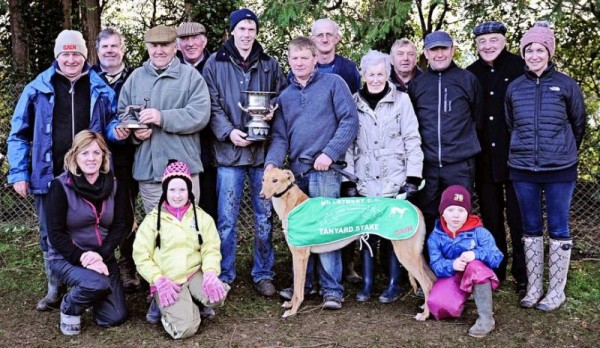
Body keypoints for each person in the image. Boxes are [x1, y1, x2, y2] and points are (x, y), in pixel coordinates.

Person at [7, 29, 118, 311]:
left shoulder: (100, 89)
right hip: (48, 177)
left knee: (90, 230)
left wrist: (121, 130)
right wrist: (19, 173)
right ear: (57, 56)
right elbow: (18, 134)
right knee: (50, 232)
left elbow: (112, 126)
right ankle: (54, 287)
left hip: (89, 175)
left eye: (76, 54)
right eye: (65, 54)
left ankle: (88, 282)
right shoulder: (37, 88)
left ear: (85, 55)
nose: (71, 59)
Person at [265, 36, 358, 310]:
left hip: (326, 170)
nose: (299, 63)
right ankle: (304, 285)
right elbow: (280, 135)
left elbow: (350, 120)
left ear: (315, 59)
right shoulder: (286, 96)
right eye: (294, 58)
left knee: (325, 230)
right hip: (296, 173)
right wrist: (272, 162)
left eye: (304, 58)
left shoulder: (333, 84)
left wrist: (329, 153)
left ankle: (331, 289)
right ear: (289, 60)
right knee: (301, 232)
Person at [203, 8, 287, 297]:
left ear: (256, 32)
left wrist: (272, 111)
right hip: (228, 155)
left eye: (252, 29)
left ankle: (263, 273)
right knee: (226, 220)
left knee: (264, 218)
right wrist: (228, 132)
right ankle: (225, 273)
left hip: (262, 157)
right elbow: (210, 104)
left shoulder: (269, 64)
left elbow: (281, 97)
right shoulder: (215, 63)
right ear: (232, 31)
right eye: (242, 29)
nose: (247, 34)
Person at [505, 21, 586, 311]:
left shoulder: (566, 84)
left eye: (540, 49)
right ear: (524, 54)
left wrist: (560, 152)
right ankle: (534, 287)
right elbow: (510, 123)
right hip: (523, 168)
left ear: (549, 52)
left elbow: (578, 125)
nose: (535, 55)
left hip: (560, 170)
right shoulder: (515, 88)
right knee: (530, 227)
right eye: (529, 50)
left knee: (559, 227)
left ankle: (556, 291)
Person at [344, 50, 423, 303]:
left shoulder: (402, 100)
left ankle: (393, 283)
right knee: (367, 234)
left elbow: (412, 139)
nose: (375, 79)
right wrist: (348, 179)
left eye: (380, 74)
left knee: (391, 233)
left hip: (394, 178)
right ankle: (367, 283)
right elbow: (347, 143)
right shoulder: (353, 102)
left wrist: (413, 177)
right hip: (365, 178)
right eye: (371, 74)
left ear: (387, 75)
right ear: (363, 75)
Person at [111, 25, 210, 214]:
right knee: (156, 231)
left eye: (164, 45)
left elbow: (200, 114)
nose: (159, 51)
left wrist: (162, 117)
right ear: (147, 47)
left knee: (185, 231)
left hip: (184, 170)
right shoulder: (135, 78)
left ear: (175, 47)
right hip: (149, 171)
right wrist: (135, 135)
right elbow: (124, 114)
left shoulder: (191, 77)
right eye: (154, 45)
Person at [133, 160, 228, 339]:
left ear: (189, 191)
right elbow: (141, 255)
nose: (177, 195)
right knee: (187, 328)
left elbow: (211, 248)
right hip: (167, 280)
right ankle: (162, 304)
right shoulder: (152, 220)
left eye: (182, 189)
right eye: (172, 190)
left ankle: (192, 300)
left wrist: (210, 273)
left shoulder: (201, 217)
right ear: (165, 191)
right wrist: (157, 279)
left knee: (218, 295)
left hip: (193, 273)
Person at [46, 130, 128, 335]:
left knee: (114, 317)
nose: (91, 158)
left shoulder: (115, 185)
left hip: (102, 256)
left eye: (96, 153)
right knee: (97, 283)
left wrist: (101, 254)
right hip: (67, 257)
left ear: (103, 157)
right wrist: (83, 257)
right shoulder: (60, 186)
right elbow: (55, 234)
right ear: (74, 156)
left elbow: (120, 225)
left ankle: (92, 294)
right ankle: (69, 306)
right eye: (84, 153)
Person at [465, 21, 527, 294]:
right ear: (476, 45)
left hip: (517, 158)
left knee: (519, 218)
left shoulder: (520, 67)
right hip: (484, 159)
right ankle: (497, 269)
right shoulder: (471, 74)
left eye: (493, 40)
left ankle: (524, 273)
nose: (487, 46)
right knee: (491, 220)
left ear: (504, 41)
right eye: (482, 42)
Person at [408, 30, 482, 238]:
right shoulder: (418, 85)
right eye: (434, 50)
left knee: (458, 215)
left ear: (452, 51)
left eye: (444, 49)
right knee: (428, 213)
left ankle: (458, 266)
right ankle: (430, 267)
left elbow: (479, 118)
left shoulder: (468, 80)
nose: (439, 54)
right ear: (426, 53)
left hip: (459, 164)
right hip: (428, 164)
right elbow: (411, 124)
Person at [310, 18, 362, 284]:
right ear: (312, 39)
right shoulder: (303, 67)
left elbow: (355, 108)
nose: (325, 39)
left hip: (343, 151)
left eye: (330, 34)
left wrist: (338, 146)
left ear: (338, 38)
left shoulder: (348, 69)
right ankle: (313, 274)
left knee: (343, 208)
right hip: (311, 156)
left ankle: (348, 265)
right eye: (320, 35)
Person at [91, 27, 140, 292]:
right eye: (105, 47)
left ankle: (130, 263)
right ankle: (102, 264)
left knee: (127, 212)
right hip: (95, 159)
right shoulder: (87, 78)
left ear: (123, 49)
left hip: (133, 156)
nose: (110, 51)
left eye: (114, 46)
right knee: (103, 213)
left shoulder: (136, 77)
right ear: (97, 51)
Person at [427, 185, 503, 338]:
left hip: (478, 275)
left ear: (467, 212)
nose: (456, 215)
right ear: (442, 212)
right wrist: (452, 264)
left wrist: (476, 254)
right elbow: (435, 264)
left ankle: (486, 319)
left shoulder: (479, 231)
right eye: (450, 210)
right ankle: (461, 297)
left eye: (461, 211)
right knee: (439, 307)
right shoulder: (435, 235)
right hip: (452, 276)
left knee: (476, 267)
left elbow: (496, 256)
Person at [176, 22, 218, 223]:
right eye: (185, 39)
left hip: (210, 148)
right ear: (177, 44)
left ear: (204, 41)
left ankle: (210, 252)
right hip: (180, 147)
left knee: (210, 207)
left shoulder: (217, 66)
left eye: (195, 38)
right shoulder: (171, 67)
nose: (190, 43)